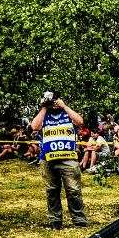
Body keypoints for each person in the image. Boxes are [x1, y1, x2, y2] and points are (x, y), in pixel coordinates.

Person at [32, 91, 89, 229]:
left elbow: (80, 121)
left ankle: (79, 220)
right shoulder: (44, 114)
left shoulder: (67, 113)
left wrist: (64, 106)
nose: (54, 104)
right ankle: (55, 221)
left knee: (73, 190)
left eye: (55, 101)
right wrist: (44, 107)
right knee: (52, 191)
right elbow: (35, 127)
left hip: (68, 158)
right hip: (47, 159)